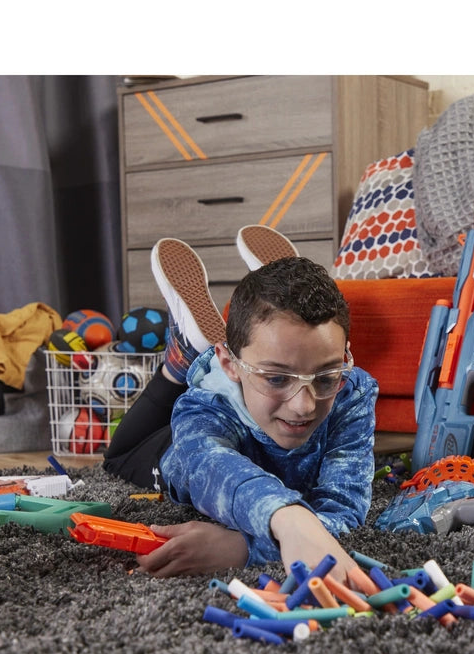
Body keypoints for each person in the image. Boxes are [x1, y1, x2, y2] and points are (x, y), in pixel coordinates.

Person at [103, 225, 379, 580]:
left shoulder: (352, 391)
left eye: (325, 377)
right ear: (229, 364)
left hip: (246, 372)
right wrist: (288, 517)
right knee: (117, 458)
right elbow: (211, 468)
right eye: (277, 378)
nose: (303, 407)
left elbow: (344, 511)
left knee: (278, 355)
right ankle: (184, 355)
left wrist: (244, 549)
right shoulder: (205, 406)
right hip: (174, 444)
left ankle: (272, 299)